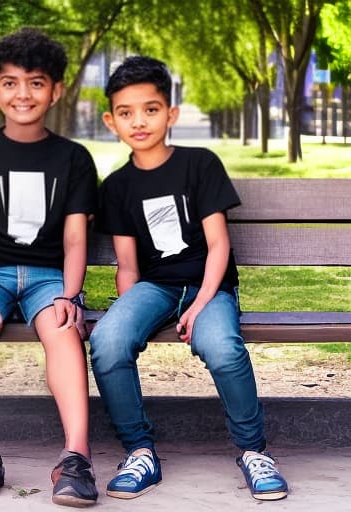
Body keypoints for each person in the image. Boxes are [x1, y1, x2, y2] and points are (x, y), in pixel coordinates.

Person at [90, 55, 289, 502]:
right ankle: (140, 451)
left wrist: (200, 305)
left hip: (209, 285)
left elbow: (219, 245)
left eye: (151, 109)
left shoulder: (199, 165)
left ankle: (254, 451)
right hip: (155, 287)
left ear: (171, 113)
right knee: (107, 340)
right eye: (126, 113)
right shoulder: (117, 187)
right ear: (111, 120)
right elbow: (127, 265)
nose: (138, 121)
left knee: (222, 347)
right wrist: (129, 317)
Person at [0, 28, 98, 507]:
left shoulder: (73, 158)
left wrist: (70, 295)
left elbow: (75, 240)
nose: (22, 93)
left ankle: (75, 458)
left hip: (49, 277)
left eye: (35, 82)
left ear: (56, 90)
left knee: (62, 327)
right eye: (9, 82)